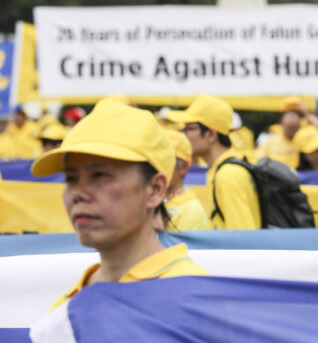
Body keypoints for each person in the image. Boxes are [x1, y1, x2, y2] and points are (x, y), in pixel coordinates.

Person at [30, 99, 207, 310]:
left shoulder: (195, 300)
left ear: (155, 189)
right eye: (71, 178)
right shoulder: (66, 309)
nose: (78, 193)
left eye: (100, 175)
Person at [167, 95, 261, 230]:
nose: (184, 135)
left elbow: (243, 238)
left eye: (189, 128)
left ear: (211, 134)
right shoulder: (228, 168)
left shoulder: (228, 174)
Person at [157, 129, 210, 231]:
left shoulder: (191, 212)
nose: (155, 166)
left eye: (163, 160)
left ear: (183, 167)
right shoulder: (152, 202)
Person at [255, 96, 318, 168]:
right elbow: (258, 159)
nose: (292, 132)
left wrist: (307, 114)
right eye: (289, 128)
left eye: (294, 128)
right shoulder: (271, 140)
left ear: (300, 125)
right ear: (281, 124)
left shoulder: (304, 136)